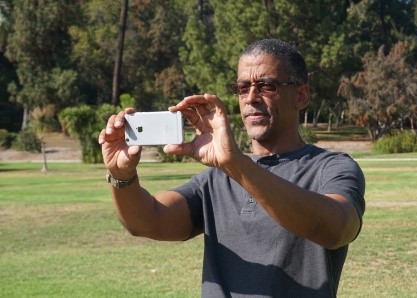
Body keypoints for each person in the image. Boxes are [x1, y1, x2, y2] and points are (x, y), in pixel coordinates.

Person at [99, 38, 365, 297]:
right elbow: (148, 221)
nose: (251, 98)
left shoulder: (331, 168)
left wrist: (235, 164)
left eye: (267, 86)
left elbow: (337, 229)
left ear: (301, 95)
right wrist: (122, 176)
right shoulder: (216, 180)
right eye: (242, 87)